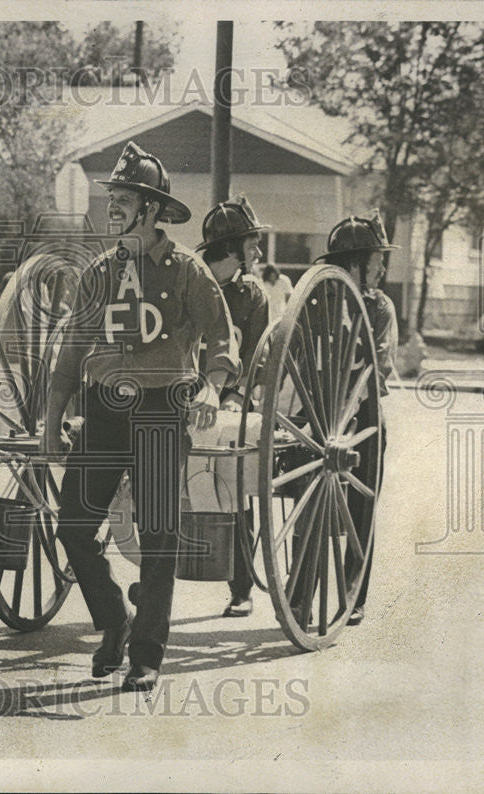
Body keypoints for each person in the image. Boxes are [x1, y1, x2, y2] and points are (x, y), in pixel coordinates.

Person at [43, 141, 240, 692]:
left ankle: (147, 655)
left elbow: (224, 337)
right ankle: (115, 621)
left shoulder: (187, 271)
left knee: (158, 533)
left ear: (151, 210)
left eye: (125, 199)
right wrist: (51, 421)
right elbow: (70, 355)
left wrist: (213, 388)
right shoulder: (98, 274)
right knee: (74, 528)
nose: (114, 207)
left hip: (161, 410)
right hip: (103, 410)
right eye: (113, 197)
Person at [313, 210, 399, 626]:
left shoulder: (379, 307)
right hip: (318, 414)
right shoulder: (319, 300)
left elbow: (376, 368)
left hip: (361, 415)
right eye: (377, 257)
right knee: (312, 507)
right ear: (354, 262)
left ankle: (353, 595)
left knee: (361, 509)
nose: (382, 266)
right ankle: (301, 594)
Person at [196, 196, 271, 618]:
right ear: (232, 247)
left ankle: (241, 586)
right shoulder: (190, 281)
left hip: (233, 402)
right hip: (187, 395)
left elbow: (258, 357)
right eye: (252, 242)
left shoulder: (252, 296)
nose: (258, 252)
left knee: (231, 483)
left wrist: (235, 397)